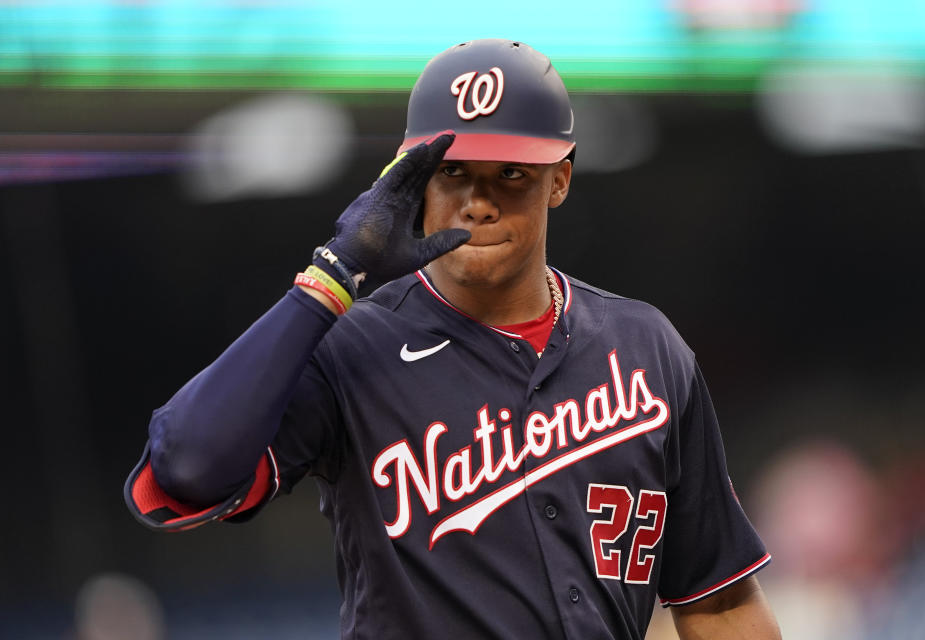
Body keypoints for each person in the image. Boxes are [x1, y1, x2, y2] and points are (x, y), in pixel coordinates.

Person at [125, 39, 781, 639]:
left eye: (511, 174)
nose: (479, 201)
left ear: (560, 180)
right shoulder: (351, 351)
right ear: (411, 180)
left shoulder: (647, 349)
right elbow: (185, 470)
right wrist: (329, 278)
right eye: (454, 172)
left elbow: (718, 601)